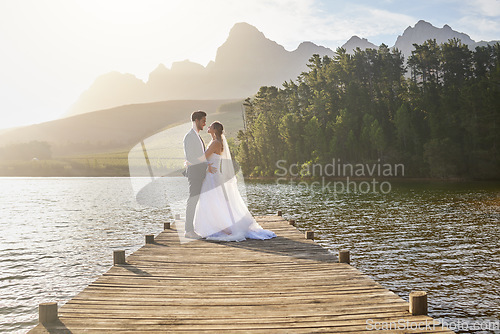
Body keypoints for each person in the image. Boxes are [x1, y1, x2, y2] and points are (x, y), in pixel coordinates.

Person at [192, 121, 276, 242]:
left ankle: (218, 226)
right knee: (216, 200)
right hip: (213, 174)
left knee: (211, 200)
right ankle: (220, 224)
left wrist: (190, 161)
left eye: (210, 126)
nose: (208, 127)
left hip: (212, 176)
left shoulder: (215, 143)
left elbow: (204, 156)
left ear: (214, 129)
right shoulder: (217, 142)